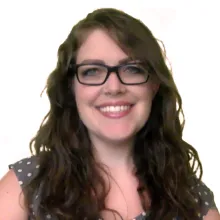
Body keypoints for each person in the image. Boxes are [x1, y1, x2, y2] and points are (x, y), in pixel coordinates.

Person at [0, 8, 219, 220]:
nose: (114, 87)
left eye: (132, 69)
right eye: (92, 71)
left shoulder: (192, 199)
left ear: (153, 85)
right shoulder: (26, 187)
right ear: (71, 88)